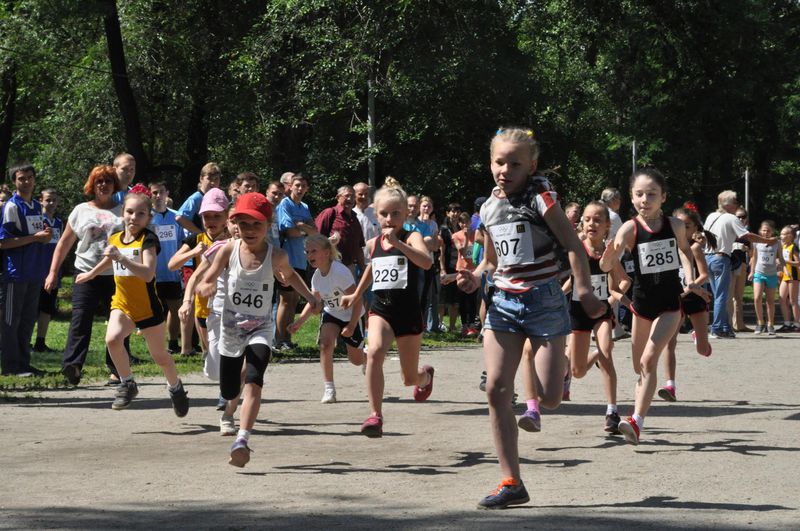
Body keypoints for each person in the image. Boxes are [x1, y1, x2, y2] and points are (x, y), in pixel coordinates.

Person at [456, 127, 603, 509]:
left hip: (544, 302)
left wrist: (584, 290)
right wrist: (474, 276)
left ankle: (563, 369)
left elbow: (573, 245)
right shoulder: (487, 207)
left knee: (551, 398)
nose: (505, 170)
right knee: (496, 389)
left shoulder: (541, 197)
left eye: (515, 163)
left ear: (531, 165)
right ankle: (511, 481)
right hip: (503, 302)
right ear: (490, 162)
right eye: (499, 162)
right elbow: (491, 259)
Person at [196, 192, 317, 467]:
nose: (250, 231)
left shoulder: (278, 255)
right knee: (229, 389)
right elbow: (208, 278)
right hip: (231, 331)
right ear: (235, 224)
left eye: (257, 225)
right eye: (244, 224)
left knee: (254, 377)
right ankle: (229, 408)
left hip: (260, 329)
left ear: (268, 225)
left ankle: (242, 438)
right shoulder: (228, 250)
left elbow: (289, 276)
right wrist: (205, 287)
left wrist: (309, 296)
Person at [600, 167, 705, 446]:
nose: (644, 199)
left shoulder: (676, 225)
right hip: (641, 305)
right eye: (638, 194)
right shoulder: (629, 228)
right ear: (631, 197)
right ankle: (637, 413)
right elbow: (605, 265)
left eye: (651, 194)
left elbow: (684, 252)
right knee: (640, 367)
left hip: (670, 304)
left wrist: (690, 278)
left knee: (648, 360)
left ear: (663, 197)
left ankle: (636, 421)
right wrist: (609, 254)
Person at [75, 186, 188, 414]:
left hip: (147, 308)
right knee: (113, 339)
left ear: (148, 217)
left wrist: (121, 258)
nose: (133, 217)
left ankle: (175, 387)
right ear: (122, 213)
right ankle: (127, 383)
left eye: (140, 214)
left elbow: (147, 273)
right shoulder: (116, 237)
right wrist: (92, 273)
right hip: (122, 303)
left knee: (160, 357)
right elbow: (110, 260)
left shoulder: (149, 240)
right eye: (129, 212)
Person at [340, 177, 435, 438]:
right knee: (375, 353)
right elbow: (372, 267)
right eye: (384, 214)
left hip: (408, 313)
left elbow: (426, 262)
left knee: (408, 378)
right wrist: (356, 294)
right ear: (376, 214)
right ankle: (375, 415)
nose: (389, 218)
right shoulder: (374, 243)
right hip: (381, 309)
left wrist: (399, 244)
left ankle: (425, 377)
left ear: (406, 213)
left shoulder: (411, 235)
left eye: (396, 213)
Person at [45, 166, 127, 385]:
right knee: (80, 320)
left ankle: (118, 370)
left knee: (117, 323)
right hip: (84, 274)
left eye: (108, 181)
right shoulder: (81, 210)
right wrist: (53, 272)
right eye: (99, 181)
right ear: (93, 185)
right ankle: (73, 366)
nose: (104, 185)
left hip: (115, 274)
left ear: (114, 185)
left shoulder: (123, 211)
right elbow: (64, 244)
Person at [560, 201, 629, 434]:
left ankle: (612, 411)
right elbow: (571, 282)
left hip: (601, 313)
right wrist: (556, 297)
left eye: (598, 220)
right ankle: (595, 356)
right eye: (588, 219)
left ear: (608, 225)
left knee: (607, 351)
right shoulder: (577, 249)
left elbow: (624, 281)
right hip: (578, 313)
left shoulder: (610, 253)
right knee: (578, 371)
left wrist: (611, 300)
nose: (592, 224)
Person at [289, 234, 367, 403]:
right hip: (332, 313)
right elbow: (314, 302)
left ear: (326, 253)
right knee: (325, 344)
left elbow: (358, 298)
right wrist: (299, 323)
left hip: (352, 314)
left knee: (355, 360)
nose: (309, 255)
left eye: (314, 251)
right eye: (307, 251)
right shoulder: (316, 277)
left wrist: (352, 325)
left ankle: (367, 358)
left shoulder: (340, 272)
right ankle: (329, 389)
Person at [657, 206, 714, 403]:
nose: (681, 230)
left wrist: (691, 287)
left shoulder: (695, 248)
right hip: (676, 298)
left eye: (686, 226)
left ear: (695, 228)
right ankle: (670, 385)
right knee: (669, 343)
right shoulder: (668, 247)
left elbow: (705, 274)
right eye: (678, 225)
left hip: (695, 297)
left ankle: (699, 338)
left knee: (703, 350)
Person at [0, 162, 51, 376]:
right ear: (14, 181)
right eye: (21, 178)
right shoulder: (12, 206)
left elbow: (40, 237)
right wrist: (34, 238)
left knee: (28, 320)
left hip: (34, 272)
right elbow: (3, 242)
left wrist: (44, 237)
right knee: (11, 321)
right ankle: (11, 366)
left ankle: (23, 363)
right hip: (15, 274)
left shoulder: (37, 207)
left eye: (30, 177)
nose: (26, 181)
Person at [703, 190, 775, 338]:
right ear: (728, 204)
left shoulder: (711, 216)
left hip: (707, 258)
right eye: (736, 202)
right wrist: (768, 241)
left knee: (718, 295)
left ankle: (724, 327)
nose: (738, 205)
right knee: (722, 296)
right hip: (721, 258)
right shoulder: (730, 218)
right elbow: (747, 236)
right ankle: (717, 328)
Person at [169, 188, 230, 357]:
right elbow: (172, 265)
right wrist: (194, 252)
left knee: (228, 354)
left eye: (216, 216)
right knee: (210, 354)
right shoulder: (196, 240)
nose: (211, 220)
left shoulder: (234, 239)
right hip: (203, 304)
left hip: (229, 302)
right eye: (206, 216)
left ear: (227, 216)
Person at [275, 173, 317, 350]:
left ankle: (287, 339)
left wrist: (301, 226)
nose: (300, 189)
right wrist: (303, 228)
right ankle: (279, 340)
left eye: (303, 186)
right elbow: (289, 231)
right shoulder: (285, 203)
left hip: (301, 259)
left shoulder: (305, 206)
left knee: (294, 300)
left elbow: (314, 230)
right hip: (287, 258)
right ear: (290, 186)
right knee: (285, 300)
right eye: (297, 185)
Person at [149, 182, 184, 354]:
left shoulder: (177, 217)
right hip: (151, 272)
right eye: (154, 192)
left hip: (171, 273)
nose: (158, 195)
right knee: (154, 312)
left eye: (161, 192)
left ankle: (172, 343)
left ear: (167, 193)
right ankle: (155, 346)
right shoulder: (146, 217)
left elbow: (181, 243)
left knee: (175, 309)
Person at [33, 187, 63, 353]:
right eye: (48, 200)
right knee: (31, 309)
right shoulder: (37, 221)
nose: (51, 203)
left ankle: (40, 342)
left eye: (54, 200)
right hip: (36, 271)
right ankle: (24, 341)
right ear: (41, 201)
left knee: (46, 308)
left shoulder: (59, 223)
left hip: (53, 273)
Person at [315, 185, 365, 274]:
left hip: (350, 268)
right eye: (347, 196)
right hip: (330, 266)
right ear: (338, 197)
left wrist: (363, 268)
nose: (350, 199)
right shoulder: (330, 213)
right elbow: (315, 239)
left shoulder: (354, 218)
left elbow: (359, 246)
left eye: (353, 196)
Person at [749, 220, 783, 336]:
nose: (765, 232)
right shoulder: (756, 242)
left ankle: (770, 324)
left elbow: (781, 258)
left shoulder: (777, 243)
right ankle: (760, 322)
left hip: (772, 274)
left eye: (768, 230)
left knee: (770, 301)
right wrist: (752, 272)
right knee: (757, 297)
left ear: (772, 232)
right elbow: (754, 258)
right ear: (760, 231)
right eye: (763, 230)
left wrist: (782, 269)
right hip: (759, 273)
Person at [176, 162, 222, 236]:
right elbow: (180, 218)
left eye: (216, 179)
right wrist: (200, 234)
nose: (213, 183)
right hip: (199, 242)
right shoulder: (196, 198)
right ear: (201, 178)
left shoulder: (219, 198)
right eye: (209, 179)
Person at [452, 212, 478, 336]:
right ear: (459, 223)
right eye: (462, 222)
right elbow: (461, 250)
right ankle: (463, 325)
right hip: (462, 269)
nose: (464, 224)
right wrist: (467, 238)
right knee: (463, 299)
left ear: (470, 222)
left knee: (472, 298)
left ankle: (472, 325)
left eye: (466, 222)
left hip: (474, 269)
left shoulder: (476, 234)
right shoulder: (456, 235)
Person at [438, 203, 461, 332]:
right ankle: (440, 324)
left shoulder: (460, 227)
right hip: (446, 266)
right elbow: (442, 251)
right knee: (442, 298)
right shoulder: (443, 229)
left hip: (458, 267)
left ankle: (452, 327)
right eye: (452, 211)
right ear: (448, 213)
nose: (455, 214)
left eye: (457, 211)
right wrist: (442, 268)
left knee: (455, 299)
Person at [729, 208, 752, 332]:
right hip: (730, 265)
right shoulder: (729, 230)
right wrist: (737, 245)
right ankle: (729, 325)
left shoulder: (747, 234)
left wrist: (749, 250)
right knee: (730, 296)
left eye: (743, 217)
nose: (741, 219)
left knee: (739, 296)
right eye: (738, 217)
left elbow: (753, 251)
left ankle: (739, 324)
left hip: (742, 265)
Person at [777, 225, 800, 332]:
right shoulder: (783, 247)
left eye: (783, 234)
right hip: (785, 276)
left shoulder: (793, 247)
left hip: (793, 276)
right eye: (781, 234)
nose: (781, 236)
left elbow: (798, 262)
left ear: (790, 236)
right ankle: (787, 323)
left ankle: (797, 324)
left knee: (793, 301)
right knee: (781, 299)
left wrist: (785, 262)